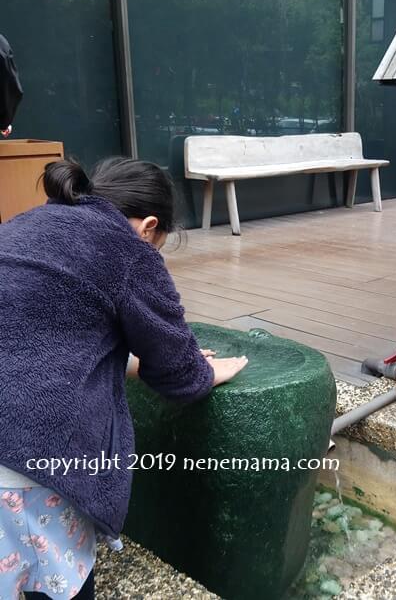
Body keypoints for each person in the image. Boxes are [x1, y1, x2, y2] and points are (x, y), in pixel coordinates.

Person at [0, 157, 248, 599]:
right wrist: (206, 370)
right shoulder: (128, 251)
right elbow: (179, 375)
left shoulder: (23, 224)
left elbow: (41, 339)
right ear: (149, 226)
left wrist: (130, 363)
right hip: (32, 466)